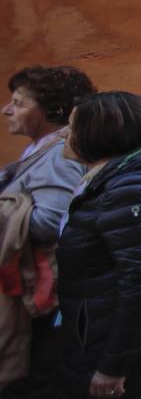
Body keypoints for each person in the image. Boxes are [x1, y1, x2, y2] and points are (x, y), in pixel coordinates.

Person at [57, 91, 141, 398]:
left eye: (72, 125)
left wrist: (113, 365)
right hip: (109, 325)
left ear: (99, 133)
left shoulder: (132, 189)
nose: (64, 133)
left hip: (134, 346)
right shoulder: (117, 179)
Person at [1, 65, 95, 399]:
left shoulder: (59, 153)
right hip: (36, 290)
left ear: (49, 111)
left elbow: (52, 221)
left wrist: (6, 208)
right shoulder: (41, 148)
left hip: (46, 293)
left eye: (19, 103)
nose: (7, 109)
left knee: (41, 377)